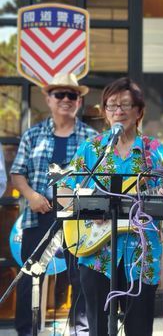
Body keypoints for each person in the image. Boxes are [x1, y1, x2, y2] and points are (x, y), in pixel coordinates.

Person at [60, 77, 163, 336]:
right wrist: (89, 210)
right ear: (104, 112)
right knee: (97, 327)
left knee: (139, 327)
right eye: (111, 106)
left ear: (139, 111)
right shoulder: (92, 148)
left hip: (141, 254)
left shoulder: (152, 149)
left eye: (125, 105)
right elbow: (64, 190)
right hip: (96, 252)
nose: (118, 111)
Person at [10, 72, 96, 336]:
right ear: (48, 99)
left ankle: (80, 332)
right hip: (38, 216)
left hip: (78, 219)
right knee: (29, 280)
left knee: (80, 280)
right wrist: (32, 195)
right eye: (60, 94)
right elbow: (17, 174)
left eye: (72, 95)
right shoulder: (32, 135)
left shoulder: (92, 139)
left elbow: (100, 179)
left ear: (79, 101)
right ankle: (27, 332)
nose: (66, 99)